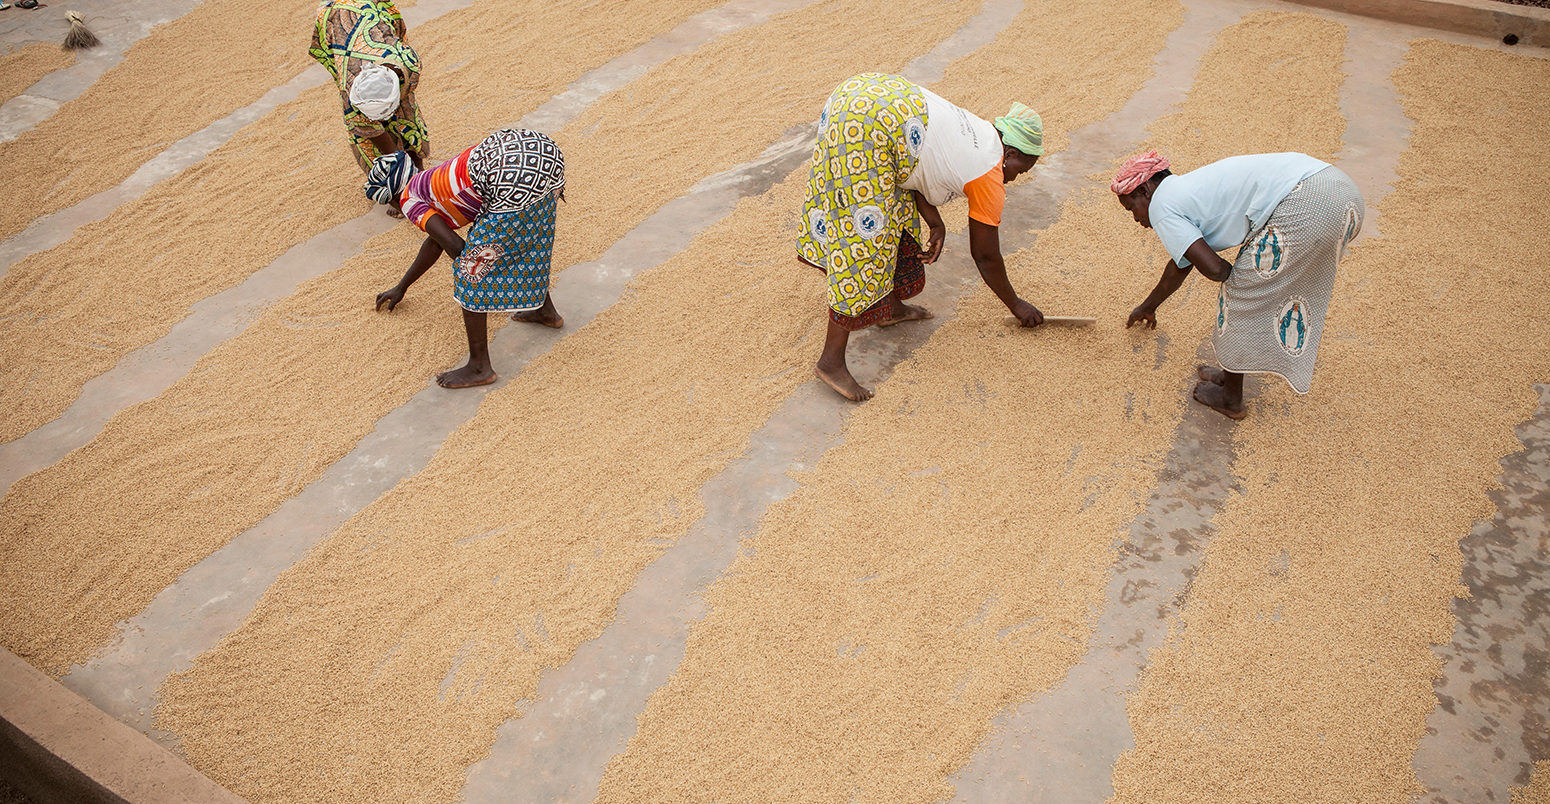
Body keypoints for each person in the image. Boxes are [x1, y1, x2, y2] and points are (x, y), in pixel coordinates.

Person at [798, 73, 1048, 402]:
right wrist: (1016, 305)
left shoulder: (980, 131)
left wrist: (935, 221)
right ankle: (830, 362)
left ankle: (887, 307)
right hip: (864, 129)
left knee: (896, 209)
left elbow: (915, 161)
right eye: (1020, 171)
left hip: (860, 96)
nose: (1014, 179)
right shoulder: (990, 173)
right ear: (1012, 154)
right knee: (863, 238)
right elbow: (985, 255)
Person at [1114, 150, 1363, 419]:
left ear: (1145, 189)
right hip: (1339, 191)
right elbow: (1180, 265)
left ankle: (1230, 398)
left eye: (1131, 208)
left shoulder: (1161, 206)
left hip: (1305, 203)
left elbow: (1214, 269)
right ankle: (1231, 372)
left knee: (1239, 292)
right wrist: (1148, 307)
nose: (1137, 220)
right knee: (1249, 286)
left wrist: (1240, 280)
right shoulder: (1184, 192)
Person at [368, 129, 566, 388]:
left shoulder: (408, 200)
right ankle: (544, 311)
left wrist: (476, 268)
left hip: (513, 177)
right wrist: (402, 286)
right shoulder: (430, 179)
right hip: (541, 156)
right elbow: (436, 241)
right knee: (527, 243)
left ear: (392, 199)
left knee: (470, 272)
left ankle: (479, 367)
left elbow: (454, 246)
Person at [309, 0, 429, 214]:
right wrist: (396, 167)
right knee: (370, 141)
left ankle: (419, 178)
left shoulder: (408, 65)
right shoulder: (352, 93)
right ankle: (401, 190)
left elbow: (406, 112)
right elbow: (370, 133)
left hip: (368, 7)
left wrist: (413, 166)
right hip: (337, 19)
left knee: (407, 117)